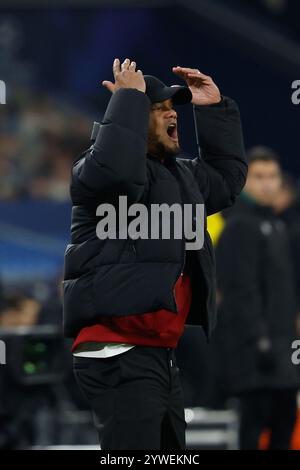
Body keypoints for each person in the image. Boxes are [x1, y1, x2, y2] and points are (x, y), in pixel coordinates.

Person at [62, 57, 247, 450]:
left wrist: (213, 110)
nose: (171, 114)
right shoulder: (95, 171)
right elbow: (118, 171)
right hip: (117, 349)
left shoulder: (181, 176)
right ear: (131, 118)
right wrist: (128, 101)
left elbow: (227, 183)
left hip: (158, 352)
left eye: (172, 109)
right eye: (158, 108)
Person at [216, 146, 299, 450]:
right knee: (255, 422)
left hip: (281, 347)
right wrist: (259, 338)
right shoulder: (239, 225)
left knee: (284, 420)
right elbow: (240, 290)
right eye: (259, 176)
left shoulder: (276, 225)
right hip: (255, 350)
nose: (267, 183)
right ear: (245, 181)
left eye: (273, 176)